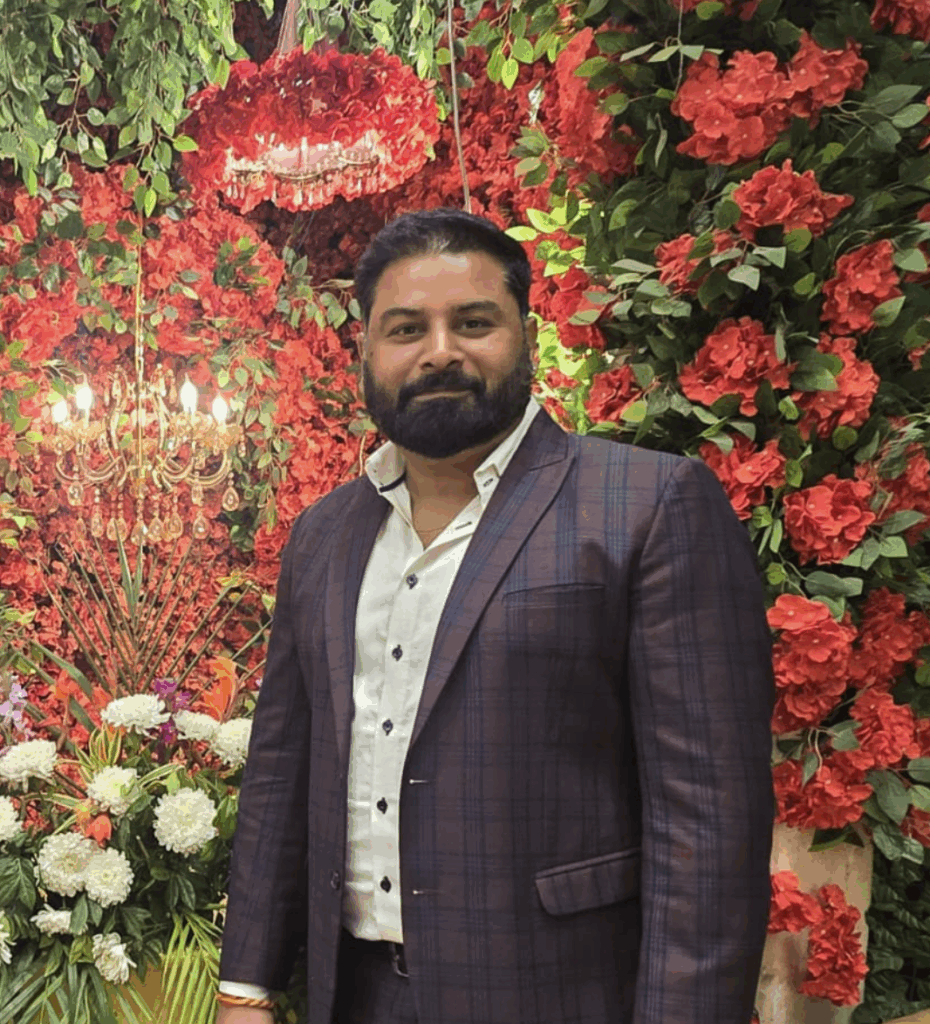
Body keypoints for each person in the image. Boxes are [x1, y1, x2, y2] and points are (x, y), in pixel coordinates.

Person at [215, 207, 776, 1024]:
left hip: (559, 993)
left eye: (473, 322)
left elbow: (709, 825)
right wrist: (245, 987)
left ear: (528, 338)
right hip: (357, 994)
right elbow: (280, 771)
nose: (440, 351)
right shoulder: (324, 534)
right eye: (407, 329)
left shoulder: (645, 506)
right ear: (366, 351)